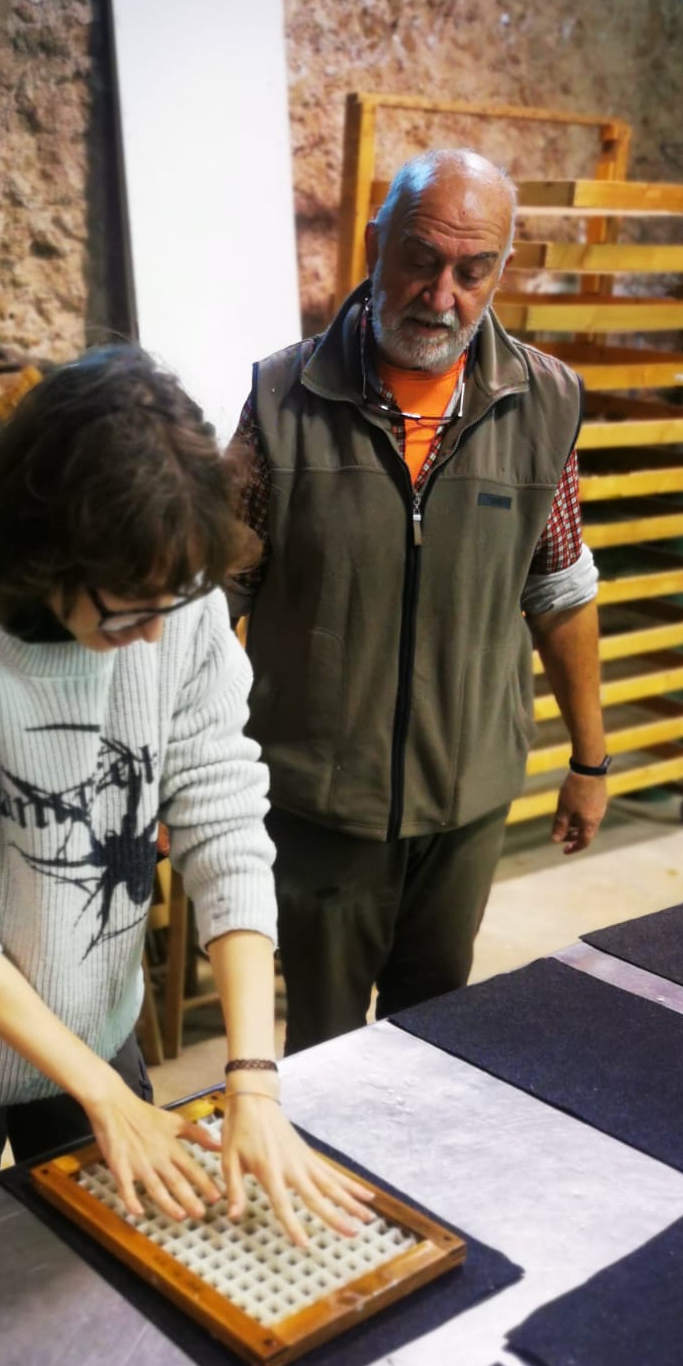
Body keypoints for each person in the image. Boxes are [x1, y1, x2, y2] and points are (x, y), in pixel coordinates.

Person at [0, 344, 373, 1245]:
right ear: (44, 557)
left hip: (93, 1013)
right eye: (127, 613)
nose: (154, 639)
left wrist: (253, 1077)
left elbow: (222, 810)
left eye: (171, 607)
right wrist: (105, 1097)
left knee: (115, 1264)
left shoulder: (166, 580)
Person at [228, 147, 607, 1053]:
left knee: (435, 1038)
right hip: (322, 807)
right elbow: (216, 599)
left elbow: (559, 589)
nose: (441, 296)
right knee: (324, 1050)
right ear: (376, 245)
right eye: (422, 260)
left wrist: (590, 761)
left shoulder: (544, 402)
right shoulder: (282, 398)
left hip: (466, 801)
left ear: (501, 271)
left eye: (472, 272)